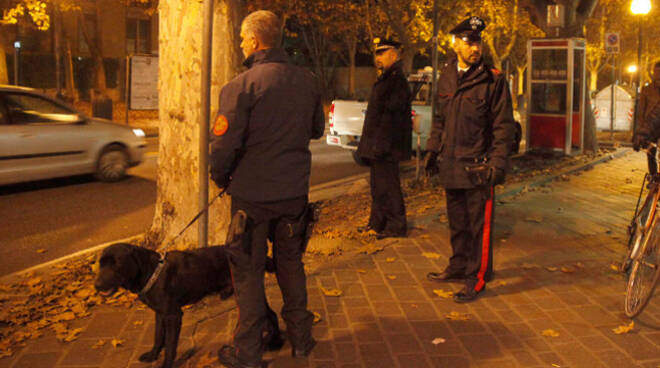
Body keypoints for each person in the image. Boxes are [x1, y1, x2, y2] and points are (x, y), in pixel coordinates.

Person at [209, 10, 325, 368]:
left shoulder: (241, 86)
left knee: (248, 272)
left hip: (252, 199)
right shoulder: (307, 81)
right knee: (291, 265)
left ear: (255, 41)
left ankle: (248, 351)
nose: (242, 44)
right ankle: (302, 340)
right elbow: (317, 130)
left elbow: (223, 148)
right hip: (293, 195)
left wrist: (221, 179)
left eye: (244, 39)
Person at [424, 16, 515, 303]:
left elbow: (504, 127)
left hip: (478, 166)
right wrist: (431, 149)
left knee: (480, 228)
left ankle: (476, 278)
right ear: (455, 44)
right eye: (468, 42)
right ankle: (458, 265)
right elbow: (440, 119)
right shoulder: (447, 75)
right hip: (451, 163)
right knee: (458, 222)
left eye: (477, 42)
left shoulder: (493, 79)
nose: (474, 48)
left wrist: (497, 165)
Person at [355, 38, 412, 239]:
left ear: (394, 54)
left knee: (389, 187)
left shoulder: (395, 80)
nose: (377, 57)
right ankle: (377, 223)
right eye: (377, 53)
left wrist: (380, 145)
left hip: (386, 146)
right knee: (379, 187)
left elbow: (391, 117)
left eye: (382, 53)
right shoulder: (387, 78)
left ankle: (396, 225)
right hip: (379, 145)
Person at [633, 61, 660, 175]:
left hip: (651, 124)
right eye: (656, 72)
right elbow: (641, 112)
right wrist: (640, 132)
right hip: (651, 128)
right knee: (651, 154)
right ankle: (653, 177)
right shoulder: (647, 90)